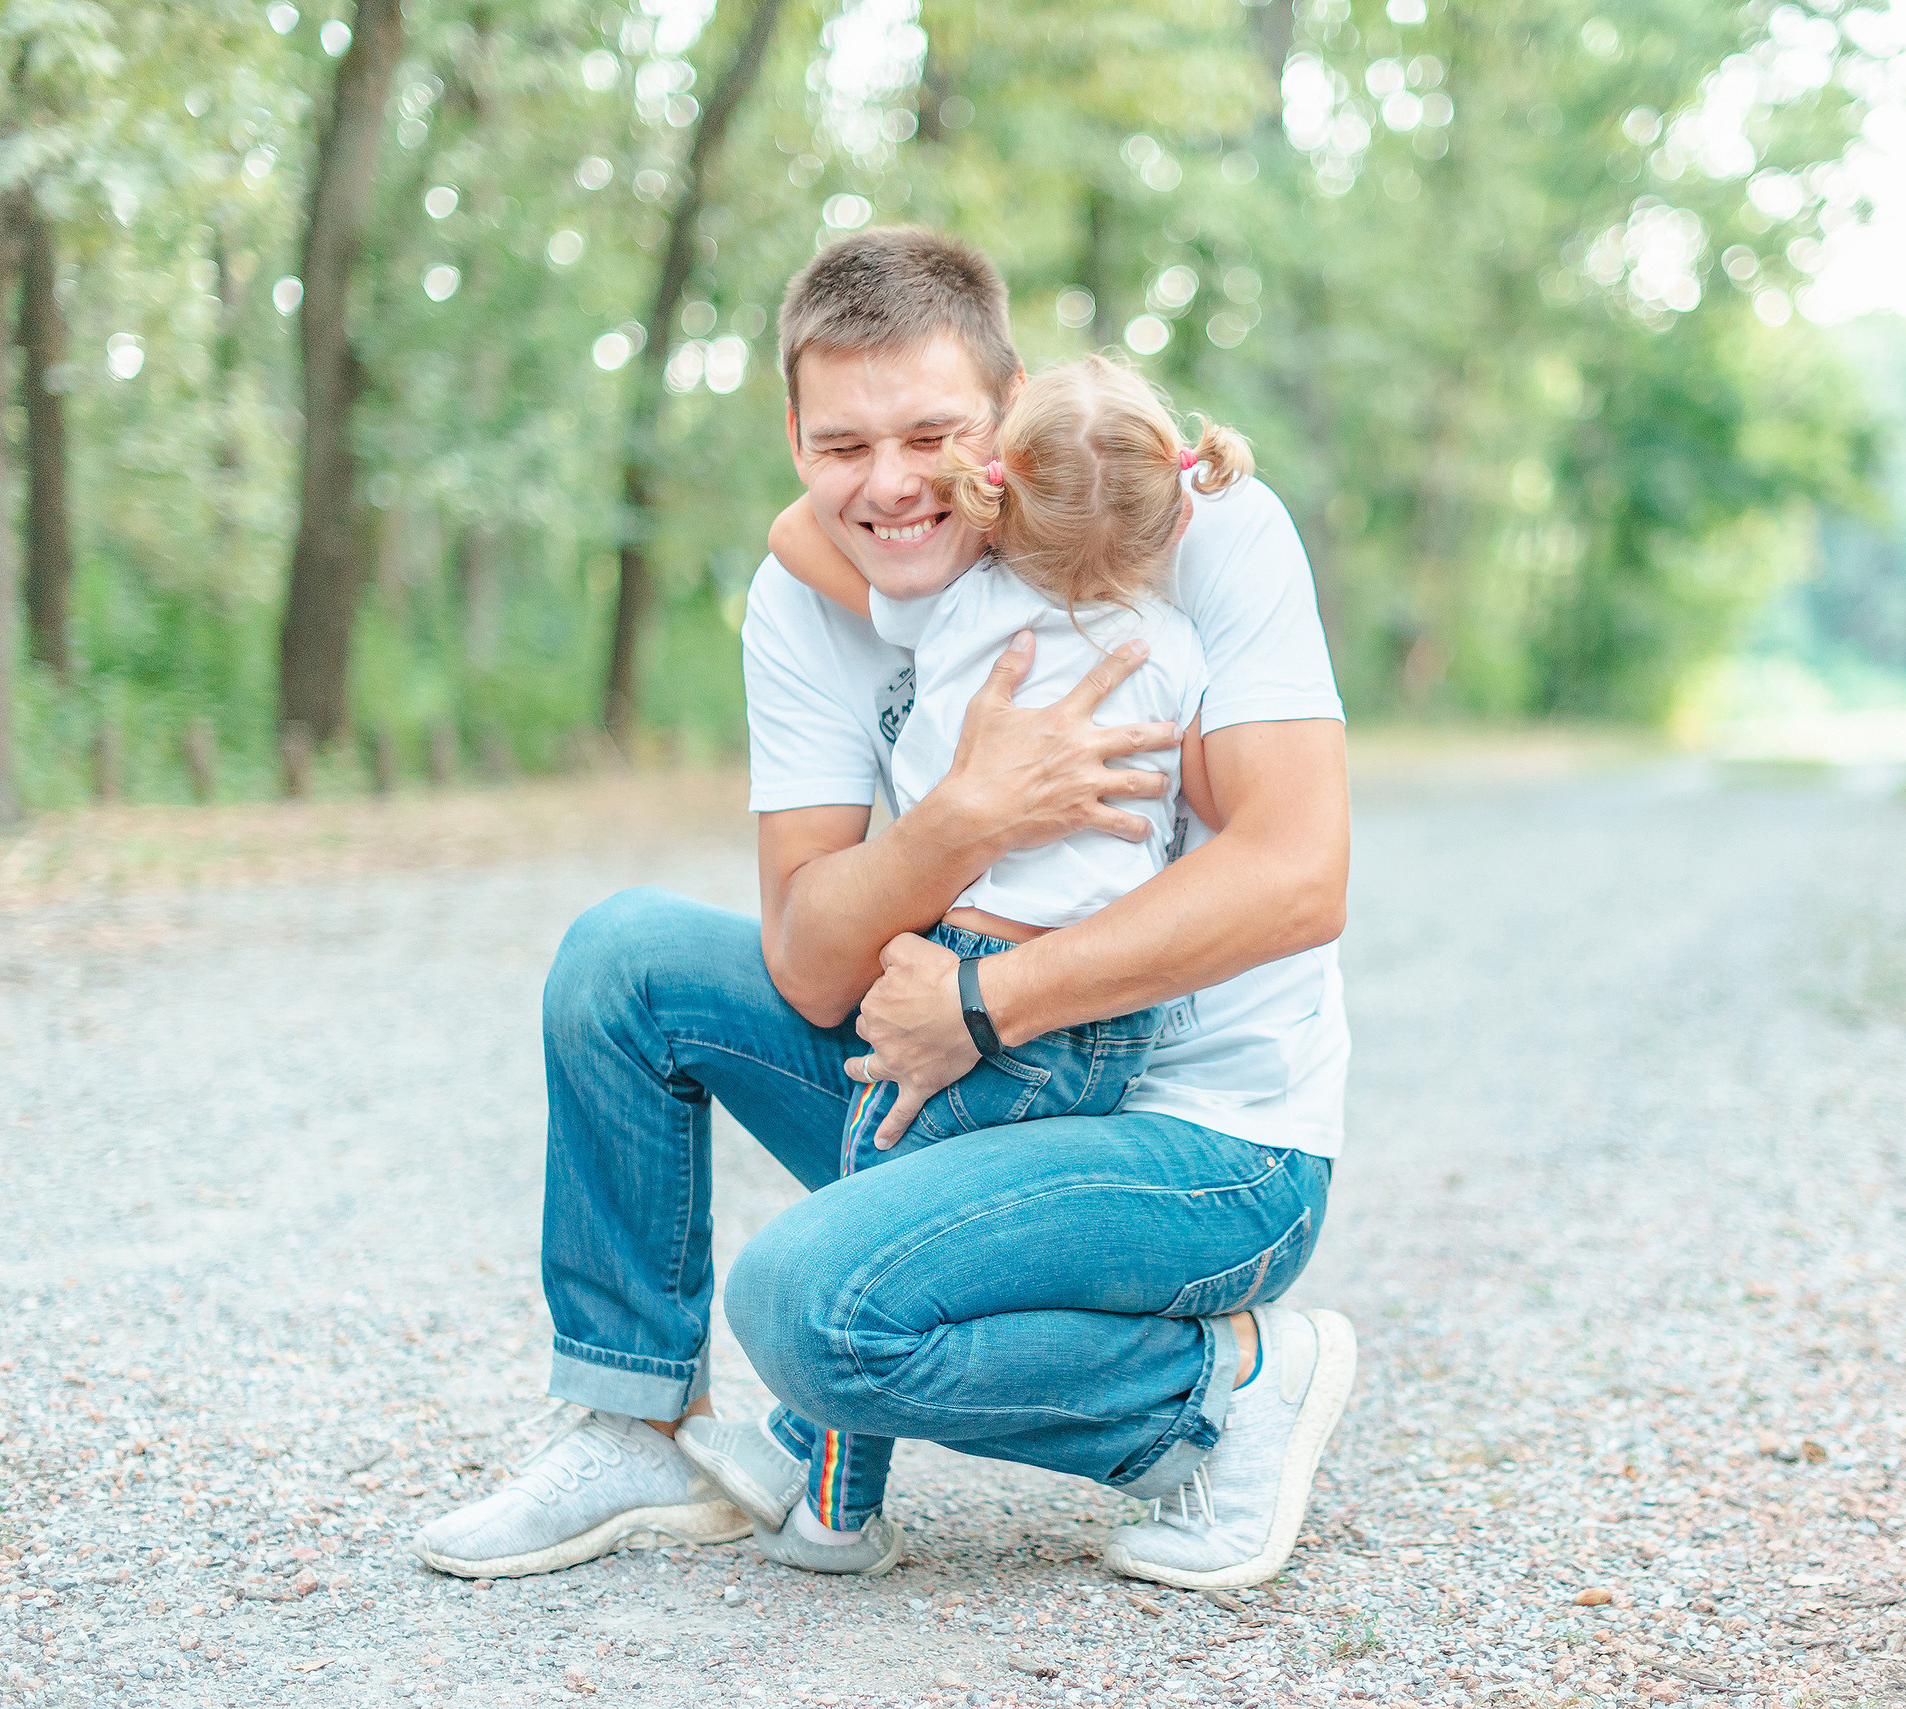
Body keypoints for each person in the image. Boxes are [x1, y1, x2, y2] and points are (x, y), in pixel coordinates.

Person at [410, 227, 1354, 1593]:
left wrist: (982, 1000)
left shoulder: (1180, 523)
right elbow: (808, 963)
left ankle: (1221, 1389)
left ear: (1011, 418)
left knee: (808, 1305)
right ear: (793, 439)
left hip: (1207, 1145)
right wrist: (968, 815)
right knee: (622, 961)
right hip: (956, 1062)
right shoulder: (811, 601)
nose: (893, 484)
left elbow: (1298, 874)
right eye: (843, 445)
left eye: (930, 435)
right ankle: (638, 1429)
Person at [767, 353, 1252, 1166]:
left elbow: (789, 535)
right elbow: (1215, 799)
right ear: (1177, 524)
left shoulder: (957, 607)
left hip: (976, 973)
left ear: (995, 506)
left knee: (876, 1175)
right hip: (1115, 1009)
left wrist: (884, 469)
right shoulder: (1173, 643)